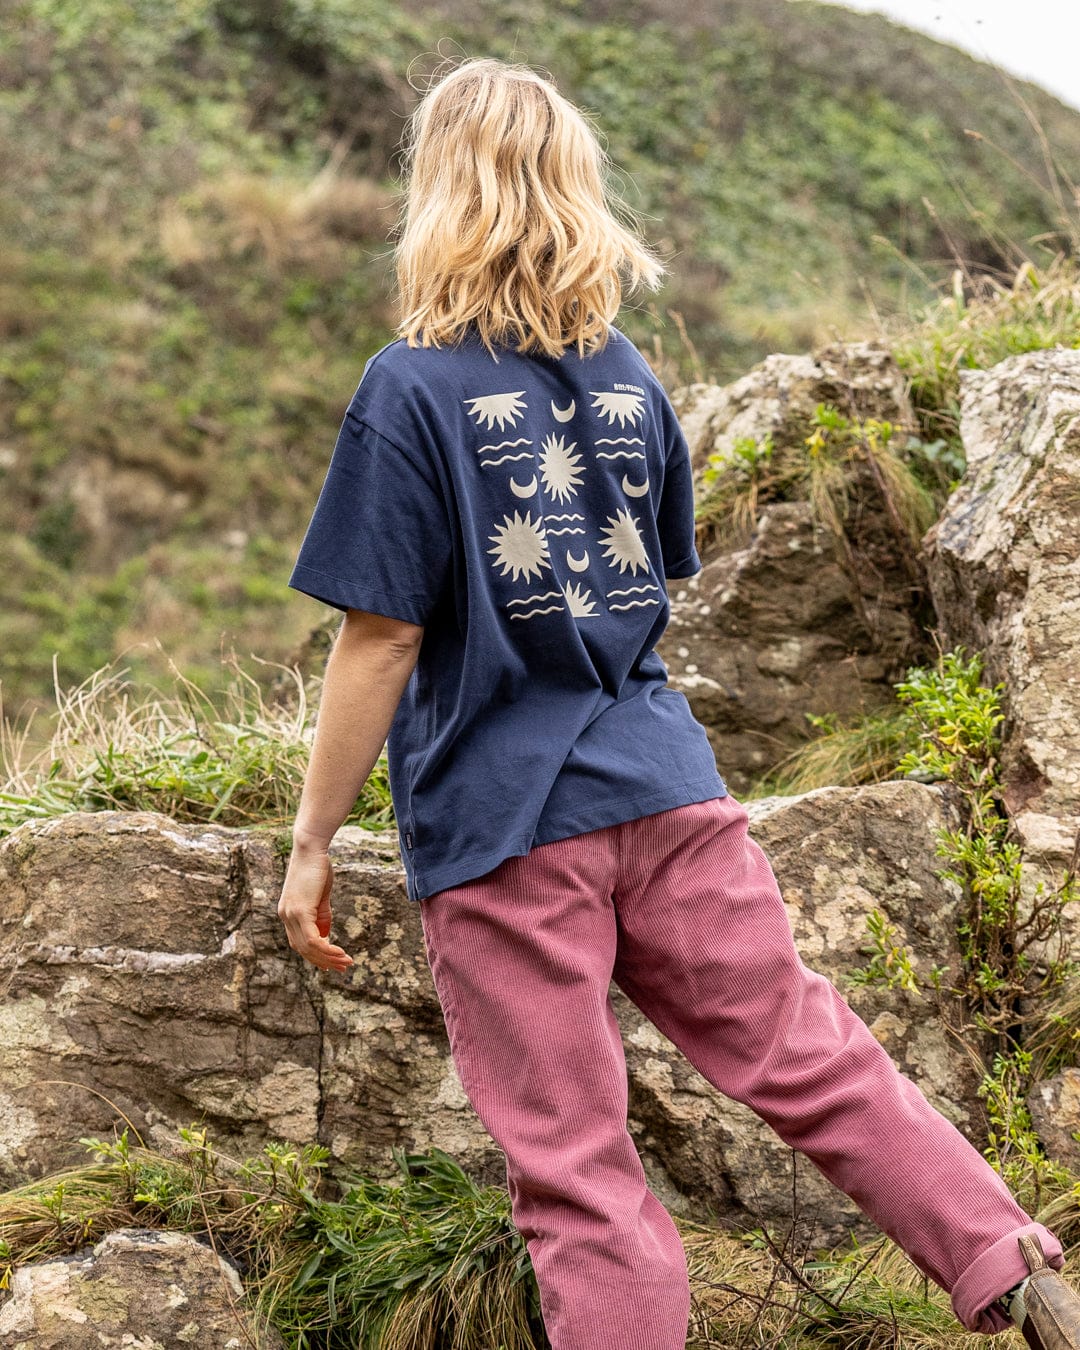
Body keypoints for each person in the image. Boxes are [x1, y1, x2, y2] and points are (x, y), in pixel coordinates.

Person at [276, 55, 1080, 1350]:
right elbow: (650, 579)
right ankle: (1016, 1267)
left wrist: (314, 836)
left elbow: (383, 633)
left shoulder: (408, 388)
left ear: (437, 194)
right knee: (812, 1057)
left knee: (580, 1174)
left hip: (507, 827)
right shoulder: (628, 378)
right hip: (668, 789)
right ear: (575, 191)